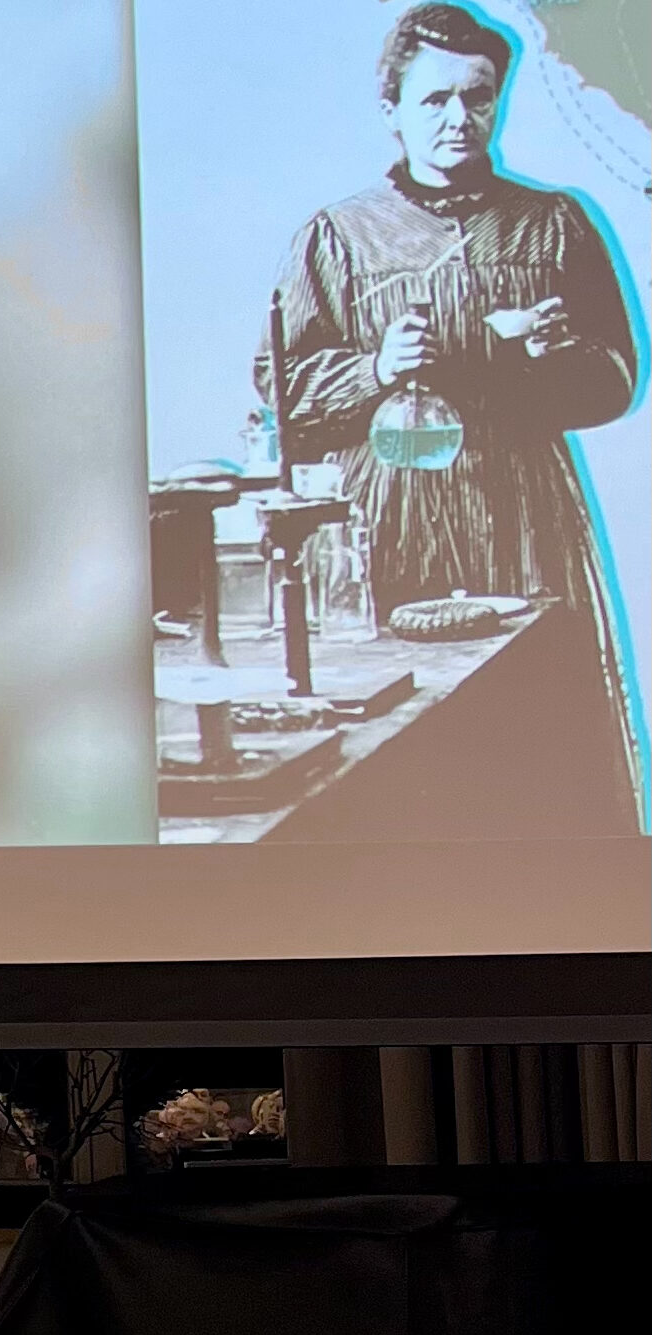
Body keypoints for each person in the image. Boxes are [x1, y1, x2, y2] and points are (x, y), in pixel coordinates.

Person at [256, 2, 641, 805]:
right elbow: (279, 393)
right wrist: (375, 369)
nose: (457, 118)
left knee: (537, 743)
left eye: (477, 96)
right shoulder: (337, 237)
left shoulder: (554, 225)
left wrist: (549, 357)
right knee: (401, 756)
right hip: (386, 524)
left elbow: (616, 379)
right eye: (434, 98)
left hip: (524, 517)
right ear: (390, 109)